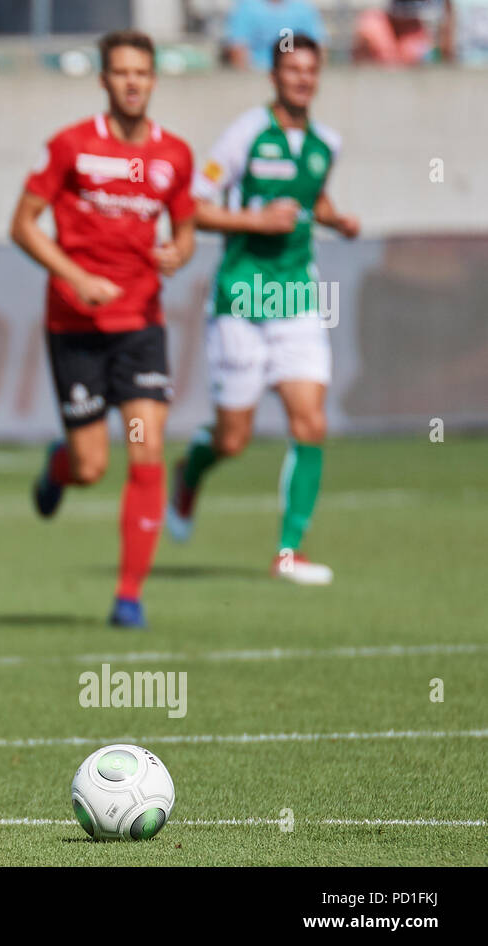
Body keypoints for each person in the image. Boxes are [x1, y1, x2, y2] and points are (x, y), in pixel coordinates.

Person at [10, 30, 196, 629]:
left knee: (148, 451)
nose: (133, 82)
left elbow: (187, 229)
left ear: (154, 79)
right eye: (121, 72)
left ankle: (128, 597)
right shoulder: (70, 146)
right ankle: (61, 464)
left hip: (140, 327)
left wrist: (180, 252)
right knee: (93, 467)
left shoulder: (176, 156)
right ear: (104, 80)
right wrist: (75, 276)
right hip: (76, 326)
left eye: (142, 72)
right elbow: (23, 226)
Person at [168, 35, 361, 585]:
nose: (301, 78)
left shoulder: (327, 142)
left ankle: (289, 552)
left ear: (318, 76)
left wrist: (336, 219)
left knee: (311, 423)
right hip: (241, 301)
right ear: (274, 76)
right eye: (291, 69)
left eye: (309, 70)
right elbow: (194, 209)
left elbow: (311, 197)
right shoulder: (245, 135)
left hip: (298, 300)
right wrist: (256, 222)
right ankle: (190, 472)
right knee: (234, 437)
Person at [223, 0, 328, 70]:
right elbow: (237, 50)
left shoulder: (303, 8)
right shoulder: (246, 7)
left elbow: (319, 49)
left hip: (293, 74)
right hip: (257, 74)